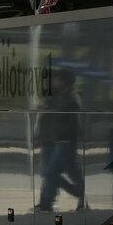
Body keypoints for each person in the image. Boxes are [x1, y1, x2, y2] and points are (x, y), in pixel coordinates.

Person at [37, 69, 84, 211]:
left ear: (64, 81)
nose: (54, 81)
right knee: (70, 171)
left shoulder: (71, 97)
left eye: (57, 79)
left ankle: (77, 192)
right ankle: (77, 194)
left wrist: (48, 106)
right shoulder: (61, 96)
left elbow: (65, 110)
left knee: (52, 172)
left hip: (66, 140)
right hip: (60, 140)